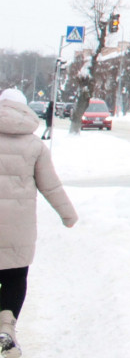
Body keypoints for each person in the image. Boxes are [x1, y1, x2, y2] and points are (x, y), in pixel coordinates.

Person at [0, 89, 78, 358]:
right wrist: (68, 215)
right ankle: (6, 327)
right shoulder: (35, 146)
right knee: (14, 278)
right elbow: (51, 186)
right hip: (18, 228)